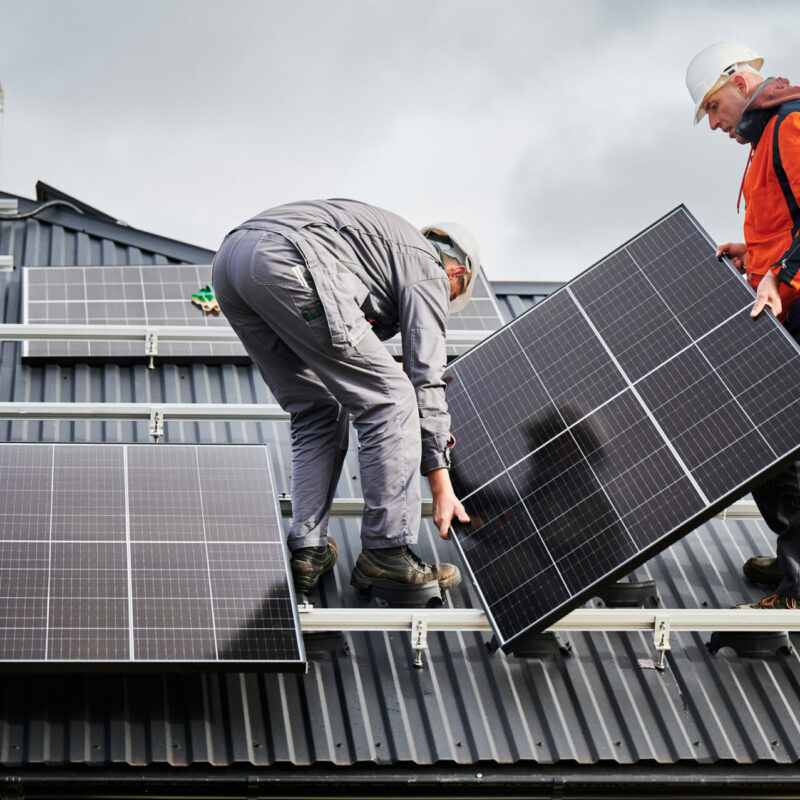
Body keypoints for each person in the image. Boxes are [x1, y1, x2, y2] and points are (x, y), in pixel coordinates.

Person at [211, 198, 474, 602]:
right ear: (457, 271)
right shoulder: (428, 267)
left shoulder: (384, 248)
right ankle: (387, 551)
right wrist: (441, 480)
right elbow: (425, 377)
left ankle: (308, 547)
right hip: (289, 257)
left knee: (317, 407)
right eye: (452, 294)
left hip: (231, 264)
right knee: (391, 397)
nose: (444, 302)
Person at [686, 42, 800, 609]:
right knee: (764, 443)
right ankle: (792, 562)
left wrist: (778, 276)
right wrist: (753, 255)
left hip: (797, 303)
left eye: (711, 107)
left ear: (736, 81)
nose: (712, 123)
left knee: (783, 441)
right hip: (782, 299)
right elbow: (785, 224)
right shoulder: (765, 140)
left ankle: (798, 585)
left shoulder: (791, 123)